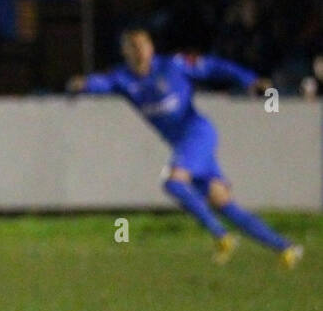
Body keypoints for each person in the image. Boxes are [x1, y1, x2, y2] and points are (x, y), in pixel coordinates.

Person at [69, 27, 302, 266]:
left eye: (144, 45)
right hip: (184, 144)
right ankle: (287, 248)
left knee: (173, 182)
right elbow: (101, 83)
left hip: (198, 133)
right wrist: (82, 84)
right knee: (223, 203)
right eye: (133, 47)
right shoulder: (123, 79)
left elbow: (213, 67)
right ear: (125, 51)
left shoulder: (173, 66)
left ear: (151, 47)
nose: (140, 51)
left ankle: (222, 236)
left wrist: (249, 80)